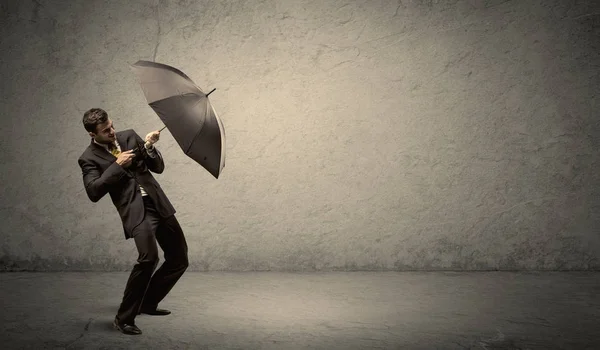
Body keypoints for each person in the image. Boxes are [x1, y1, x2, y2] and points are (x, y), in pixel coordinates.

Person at [78, 108, 189, 335]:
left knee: (179, 258)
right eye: (106, 130)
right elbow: (93, 191)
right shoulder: (88, 158)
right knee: (149, 259)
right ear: (92, 134)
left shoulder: (129, 136)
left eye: (111, 125)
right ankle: (124, 318)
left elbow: (158, 168)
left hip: (158, 203)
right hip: (136, 211)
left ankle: (148, 303)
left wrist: (148, 147)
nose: (112, 131)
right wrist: (117, 165)